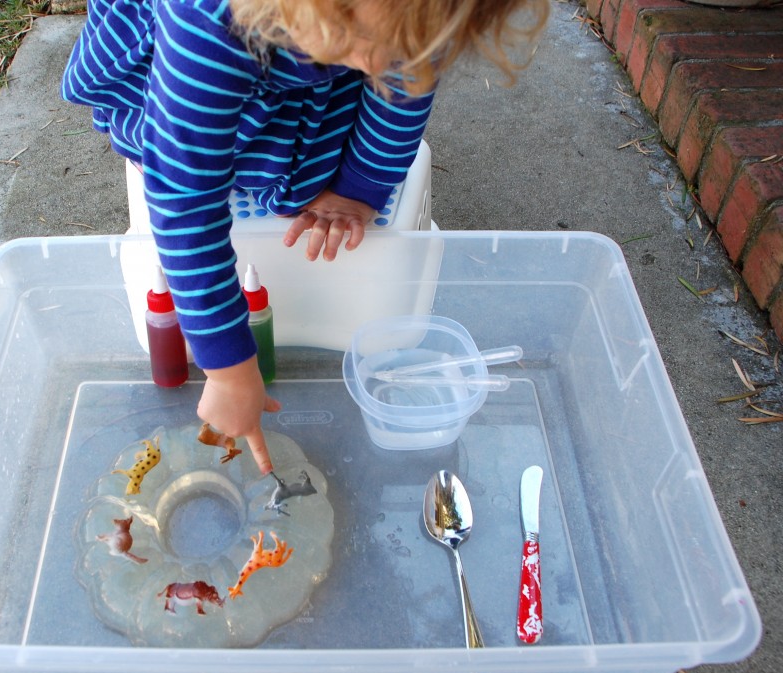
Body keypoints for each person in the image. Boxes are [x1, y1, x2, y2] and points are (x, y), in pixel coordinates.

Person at [62, 0, 548, 474]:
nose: (380, 63)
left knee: (373, 92)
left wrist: (360, 189)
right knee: (200, 147)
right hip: (176, 83)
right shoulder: (206, 22)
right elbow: (184, 194)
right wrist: (229, 371)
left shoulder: (391, 24)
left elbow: (405, 84)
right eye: (364, 41)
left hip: (302, 60)